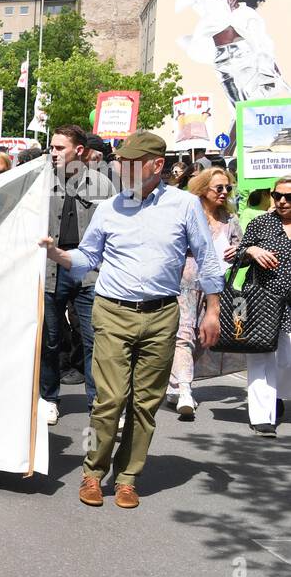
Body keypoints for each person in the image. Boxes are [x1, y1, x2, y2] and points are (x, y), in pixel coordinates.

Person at [42, 131, 224, 509]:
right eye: (120, 162)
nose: (121, 168)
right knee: (108, 400)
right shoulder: (110, 207)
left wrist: (213, 311)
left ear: (157, 166)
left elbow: (206, 258)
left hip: (161, 315)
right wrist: (59, 254)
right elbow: (87, 258)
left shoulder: (184, 206)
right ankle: (92, 472)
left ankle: (127, 478)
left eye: (130, 162)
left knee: (145, 404)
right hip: (112, 311)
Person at [40, 125, 112, 425]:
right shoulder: (40, 181)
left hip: (88, 271)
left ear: (78, 151)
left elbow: (114, 229)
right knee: (49, 339)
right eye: (52, 148)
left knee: (94, 339)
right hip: (49, 268)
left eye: (59, 148)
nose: (53, 153)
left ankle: (97, 401)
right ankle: (48, 398)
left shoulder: (102, 185)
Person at [176, 0, 290, 137]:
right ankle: (238, 148)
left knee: (251, 104)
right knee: (237, 105)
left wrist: (271, 65)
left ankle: (239, 148)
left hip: (245, 57)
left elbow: (261, 41)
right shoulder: (212, 4)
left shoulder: (248, 13)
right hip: (222, 61)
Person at [167, 166, 242, 420]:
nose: (224, 193)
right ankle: (186, 389)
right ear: (203, 188)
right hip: (186, 280)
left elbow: (239, 246)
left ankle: (174, 383)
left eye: (228, 188)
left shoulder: (230, 219)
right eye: (218, 187)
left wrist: (237, 251)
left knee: (205, 337)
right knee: (184, 333)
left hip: (216, 286)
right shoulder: (189, 212)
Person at [233, 175, 291, 436]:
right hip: (262, 299)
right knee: (260, 358)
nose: (281, 201)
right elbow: (238, 256)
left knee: (286, 361)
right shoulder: (261, 223)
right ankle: (261, 417)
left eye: (288, 197)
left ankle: (276, 394)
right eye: (277, 195)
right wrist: (251, 251)